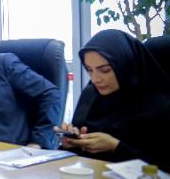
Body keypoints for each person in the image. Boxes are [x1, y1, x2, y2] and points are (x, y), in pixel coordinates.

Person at [58, 29, 170, 171]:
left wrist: (115, 147)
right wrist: (72, 144)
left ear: (125, 64)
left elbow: (162, 167)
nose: (95, 79)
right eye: (89, 70)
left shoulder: (160, 107)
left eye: (105, 70)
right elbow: (81, 159)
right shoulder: (92, 96)